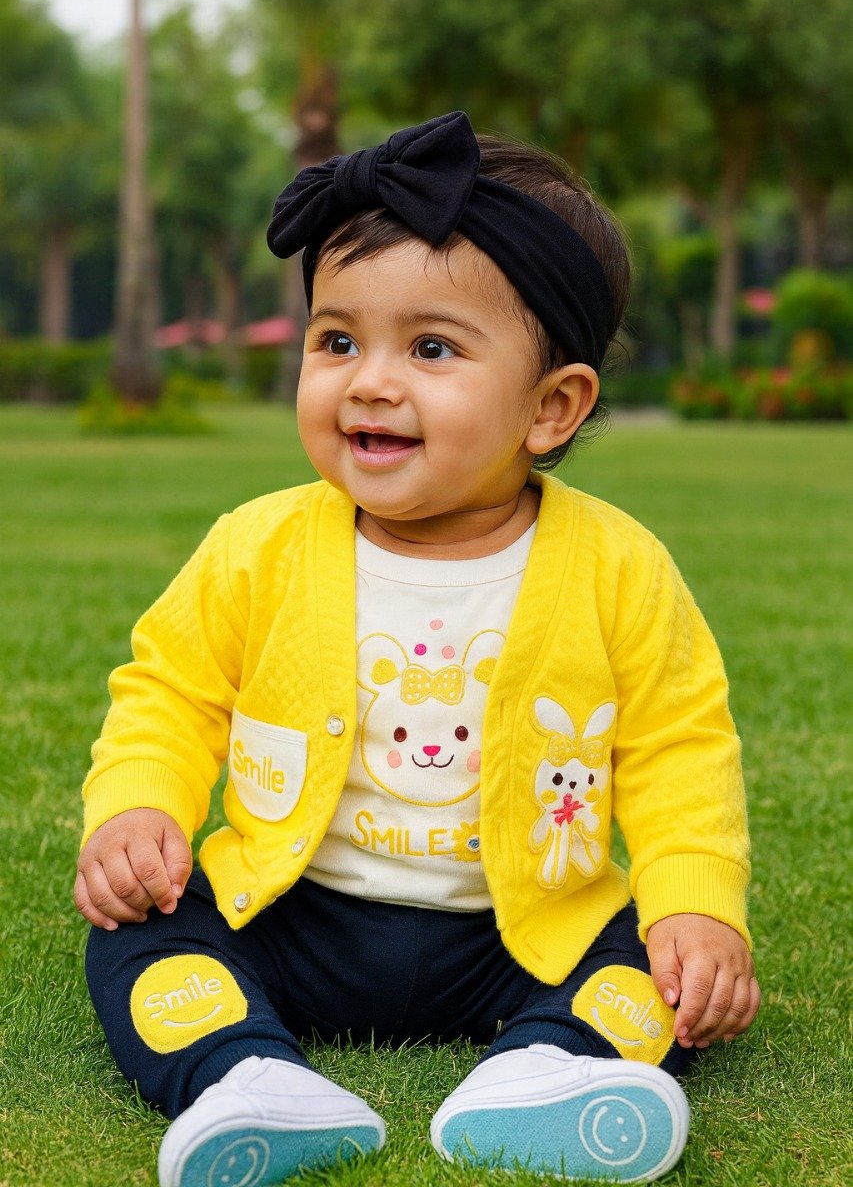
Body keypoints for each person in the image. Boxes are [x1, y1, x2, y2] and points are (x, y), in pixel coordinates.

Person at [75, 111, 760, 1187]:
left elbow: (679, 746)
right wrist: (138, 807)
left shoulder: (618, 566)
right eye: (336, 341)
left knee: (653, 963)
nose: (368, 381)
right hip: (290, 913)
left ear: (551, 406)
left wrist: (696, 905)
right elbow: (170, 690)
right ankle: (244, 1074)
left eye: (430, 348)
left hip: (521, 928)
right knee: (140, 928)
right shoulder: (257, 545)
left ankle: (547, 1067)